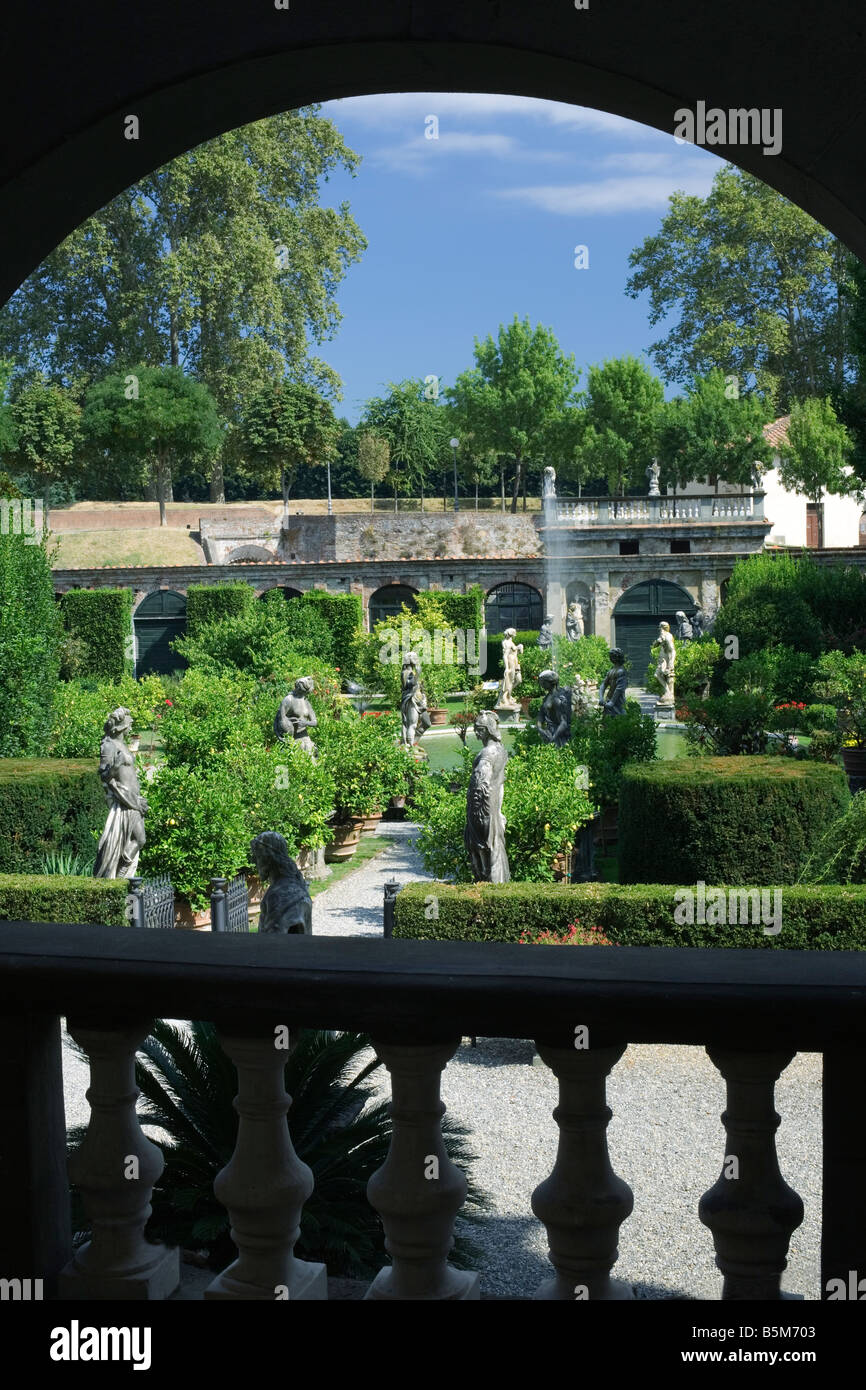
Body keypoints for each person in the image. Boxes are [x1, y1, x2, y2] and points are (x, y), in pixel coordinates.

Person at [93, 707, 148, 878]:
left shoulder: (120, 744)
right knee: (140, 839)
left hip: (133, 798)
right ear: (120, 727)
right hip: (124, 799)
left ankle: (121, 873)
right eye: (128, 724)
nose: (130, 727)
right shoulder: (108, 746)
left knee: (138, 840)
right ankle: (120, 873)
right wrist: (115, 767)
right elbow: (104, 775)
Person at [464, 710, 510, 883]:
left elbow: (480, 788)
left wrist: (474, 820)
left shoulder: (486, 754)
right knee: (494, 853)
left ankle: (488, 896)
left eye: (479, 729)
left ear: (489, 729)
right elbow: (500, 784)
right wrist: (498, 811)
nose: (476, 732)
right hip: (493, 811)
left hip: (483, 813)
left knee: (483, 857)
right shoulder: (501, 750)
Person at [274, 676, 318, 759]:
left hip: (304, 735)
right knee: (299, 753)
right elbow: (279, 719)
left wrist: (305, 723)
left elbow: (315, 722)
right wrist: (284, 734)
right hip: (292, 736)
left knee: (310, 752)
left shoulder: (306, 702)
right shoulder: (289, 700)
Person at [598, 649, 627, 718]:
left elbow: (619, 689)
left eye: (612, 656)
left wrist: (612, 702)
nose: (610, 658)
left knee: (619, 720)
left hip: (618, 701)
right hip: (609, 700)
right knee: (607, 722)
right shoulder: (611, 671)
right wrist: (601, 698)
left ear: (617, 657)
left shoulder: (621, 671)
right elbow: (603, 685)